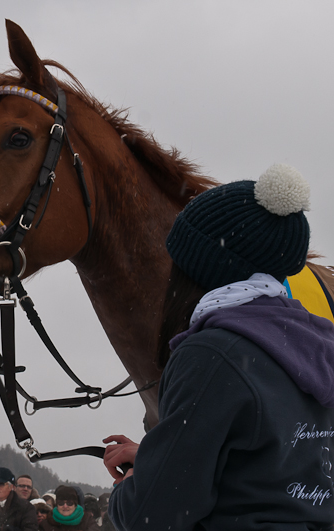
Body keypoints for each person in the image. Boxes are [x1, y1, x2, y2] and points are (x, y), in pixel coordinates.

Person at [103, 164, 334, 528]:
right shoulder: (319, 342)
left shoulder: (212, 355)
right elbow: (269, 466)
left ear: (201, 266)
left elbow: (151, 514)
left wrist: (129, 489)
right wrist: (157, 457)